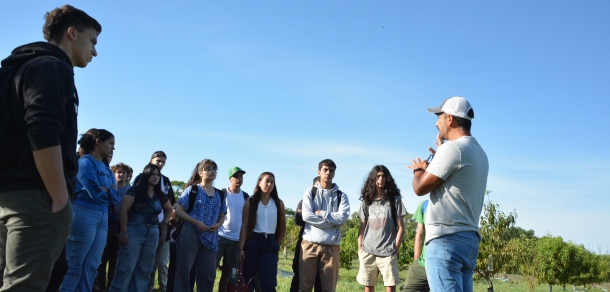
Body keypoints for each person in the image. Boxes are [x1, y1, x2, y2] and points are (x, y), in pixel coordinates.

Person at [0, 5, 100, 291]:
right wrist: (59, 196)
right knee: (25, 285)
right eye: (92, 41)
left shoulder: (18, 67)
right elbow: (42, 130)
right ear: (72, 33)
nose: (94, 51)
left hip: (7, 193)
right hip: (36, 197)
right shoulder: (54, 67)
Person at [407, 96, 489, 292]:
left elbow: (419, 188)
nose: (437, 123)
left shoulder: (453, 149)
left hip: (446, 239)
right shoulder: (479, 152)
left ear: (450, 119)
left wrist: (419, 169)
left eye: (439, 117)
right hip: (469, 240)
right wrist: (439, 160)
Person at [61, 129, 120, 292]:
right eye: (111, 144)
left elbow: (116, 197)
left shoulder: (106, 168)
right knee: (75, 264)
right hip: (84, 213)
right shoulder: (85, 162)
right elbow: (96, 194)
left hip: (103, 217)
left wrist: (107, 190)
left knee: (92, 265)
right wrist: (108, 191)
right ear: (98, 142)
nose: (113, 148)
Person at [108, 164, 173, 292]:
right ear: (146, 175)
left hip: (153, 233)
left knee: (145, 269)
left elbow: (170, 209)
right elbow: (123, 211)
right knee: (126, 268)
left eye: (157, 175)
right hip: (133, 231)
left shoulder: (159, 194)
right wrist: (124, 231)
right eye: (152, 174)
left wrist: (164, 223)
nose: (155, 177)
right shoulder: (135, 190)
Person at [174, 159, 226, 292]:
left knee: (208, 275)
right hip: (191, 232)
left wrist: (218, 224)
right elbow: (179, 211)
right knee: (183, 272)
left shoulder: (220, 194)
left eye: (214, 169)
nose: (211, 171)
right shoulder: (193, 190)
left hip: (211, 237)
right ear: (200, 172)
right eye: (207, 169)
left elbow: (222, 215)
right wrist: (196, 222)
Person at [300, 159, 350, 292]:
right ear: (319, 172)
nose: (328, 173)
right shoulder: (310, 193)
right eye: (325, 170)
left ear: (334, 173)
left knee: (329, 288)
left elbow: (343, 217)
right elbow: (307, 216)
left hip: (331, 246)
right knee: (305, 286)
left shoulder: (341, 196)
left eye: (331, 170)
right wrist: (331, 222)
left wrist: (322, 213)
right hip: (310, 244)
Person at [357, 165, 407, 292]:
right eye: (378, 176)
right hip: (368, 251)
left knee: (390, 288)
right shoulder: (366, 201)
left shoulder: (395, 200)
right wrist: (360, 248)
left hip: (388, 252)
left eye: (383, 176)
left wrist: (395, 249)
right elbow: (363, 226)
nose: (381, 179)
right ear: (373, 179)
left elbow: (401, 227)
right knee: (368, 288)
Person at [238, 172, 286, 292]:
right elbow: (244, 226)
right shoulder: (250, 201)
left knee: (269, 281)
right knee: (248, 278)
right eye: (266, 181)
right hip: (252, 242)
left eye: (272, 182)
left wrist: (277, 244)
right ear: (259, 183)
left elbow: (282, 226)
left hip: (270, 243)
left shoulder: (278, 203)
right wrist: (241, 248)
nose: (269, 184)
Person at [136, 152, 175, 292]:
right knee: (142, 260)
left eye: (163, 161)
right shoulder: (140, 179)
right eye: (158, 160)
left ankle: (156, 288)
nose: (160, 164)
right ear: (150, 160)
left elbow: (170, 204)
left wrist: (166, 223)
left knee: (159, 262)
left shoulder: (165, 180)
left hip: (162, 226)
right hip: (141, 225)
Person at [94, 163, 133, 292]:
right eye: (118, 172)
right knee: (101, 260)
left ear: (128, 175)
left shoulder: (131, 191)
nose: (121, 174)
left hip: (122, 230)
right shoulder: (109, 188)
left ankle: (112, 287)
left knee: (115, 262)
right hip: (105, 227)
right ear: (113, 173)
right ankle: (99, 287)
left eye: (123, 172)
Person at [217, 167, 249, 292]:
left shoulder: (245, 197)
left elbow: (246, 221)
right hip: (220, 237)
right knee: (210, 270)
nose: (239, 179)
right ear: (230, 179)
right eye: (236, 176)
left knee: (228, 274)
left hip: (236, 240)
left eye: (241, 176)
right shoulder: (221, 193)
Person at [290, 177, 322, 292]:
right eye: (318, 186)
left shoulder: (328, 203)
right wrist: (322, 216)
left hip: (323, 243)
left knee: (320, 279)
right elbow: (299, 219)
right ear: (313, 187)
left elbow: (335, 220)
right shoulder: (304, 201)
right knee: (298, 275)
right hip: (304, 243)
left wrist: (309, 215)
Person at [401, 200, 430, 292]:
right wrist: (416, 261)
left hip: (447, 264)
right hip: (424, 263)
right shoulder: (425, 205)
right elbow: (420, 233)